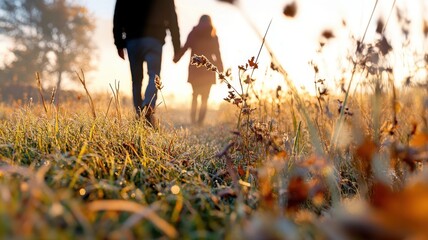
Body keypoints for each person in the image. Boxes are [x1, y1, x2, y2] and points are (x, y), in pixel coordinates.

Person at [113, 0, 181, 125]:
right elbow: (172, 17)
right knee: (154, 75)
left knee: (136, 80)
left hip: (133, 39)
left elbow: (118, 15)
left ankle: (139, 114)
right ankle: (148, 105)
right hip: (154, 39)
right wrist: (177, 47)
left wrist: (119, 43)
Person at [174, 15, 223, 126]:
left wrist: (176, 58)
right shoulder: (213, 35)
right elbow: (217, 54)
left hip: (194, 70)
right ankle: (199, 122)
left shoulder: (194, 33)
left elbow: (185, 47)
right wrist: (221, 69)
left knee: (195, 95)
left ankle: (193, 120)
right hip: (208, 70)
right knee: (205, 98)